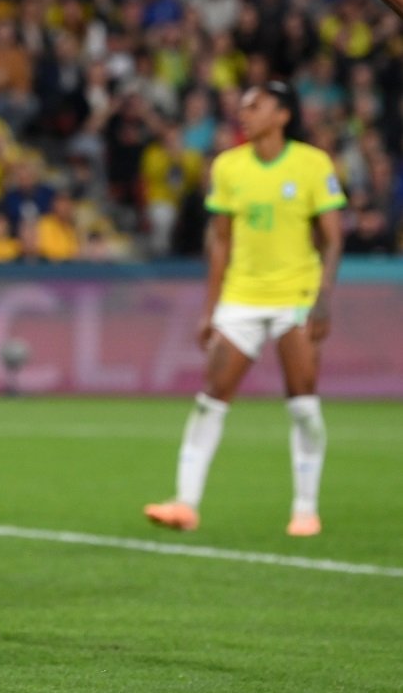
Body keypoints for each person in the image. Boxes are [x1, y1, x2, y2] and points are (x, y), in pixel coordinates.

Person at [144, 82, 344, 536]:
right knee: (210, 399)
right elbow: (219, 240)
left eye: (257, 105)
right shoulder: (228, 167)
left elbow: (332, 238)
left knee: (303, 405)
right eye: (245, 103)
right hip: (241, 297)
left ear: (283, 116)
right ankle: (185, 503)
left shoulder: (313, 164)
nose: (245, 111)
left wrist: (324, 299)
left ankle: (305, 508)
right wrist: (210, 309)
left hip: (295, 296)